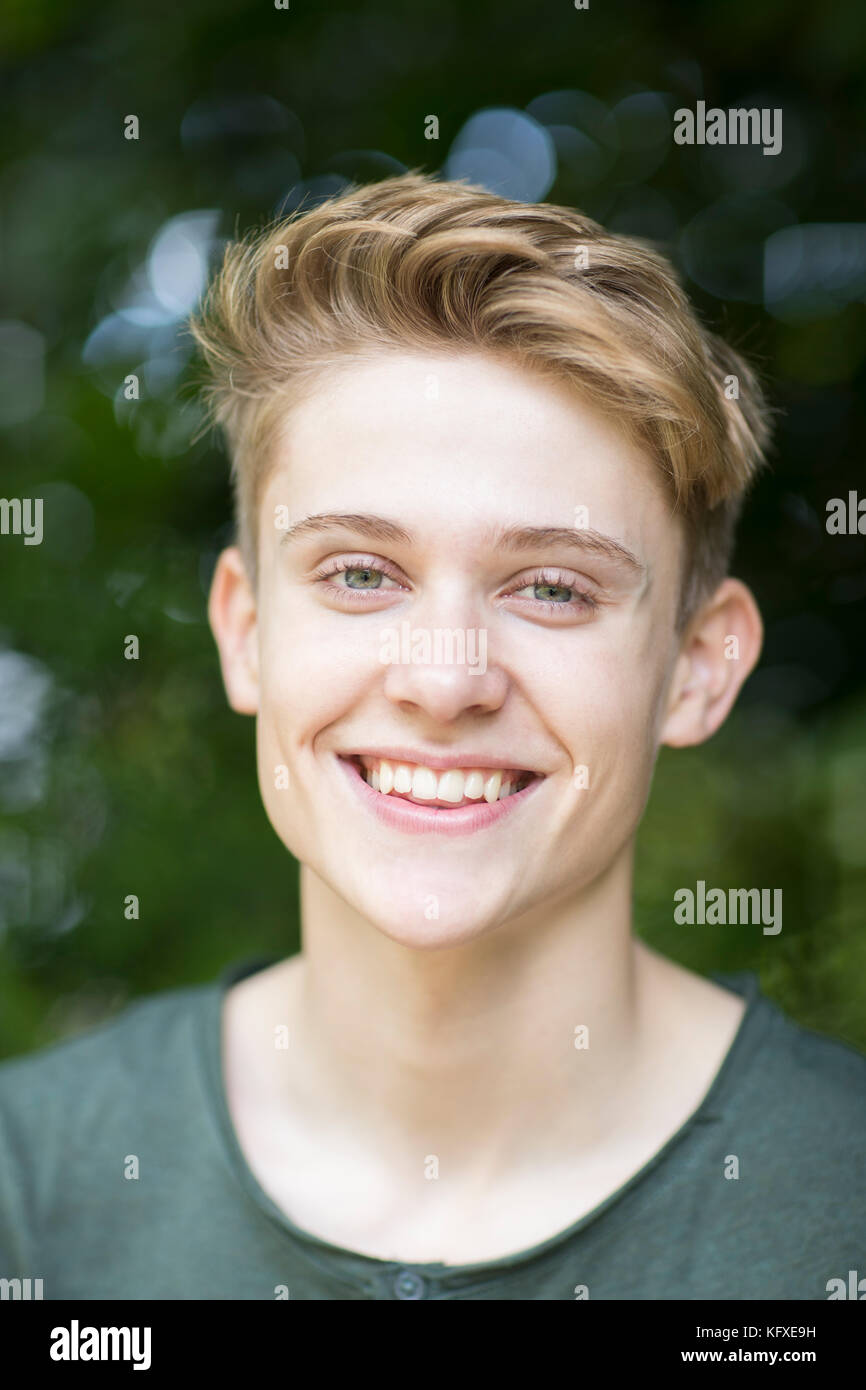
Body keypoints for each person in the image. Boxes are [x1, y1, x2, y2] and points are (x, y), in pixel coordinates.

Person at [1, 172, 864, 1302]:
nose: (444, 679)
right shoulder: (33, 1189)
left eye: (551, 588)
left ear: (698, 667)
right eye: (360, 574)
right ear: (247, 632)